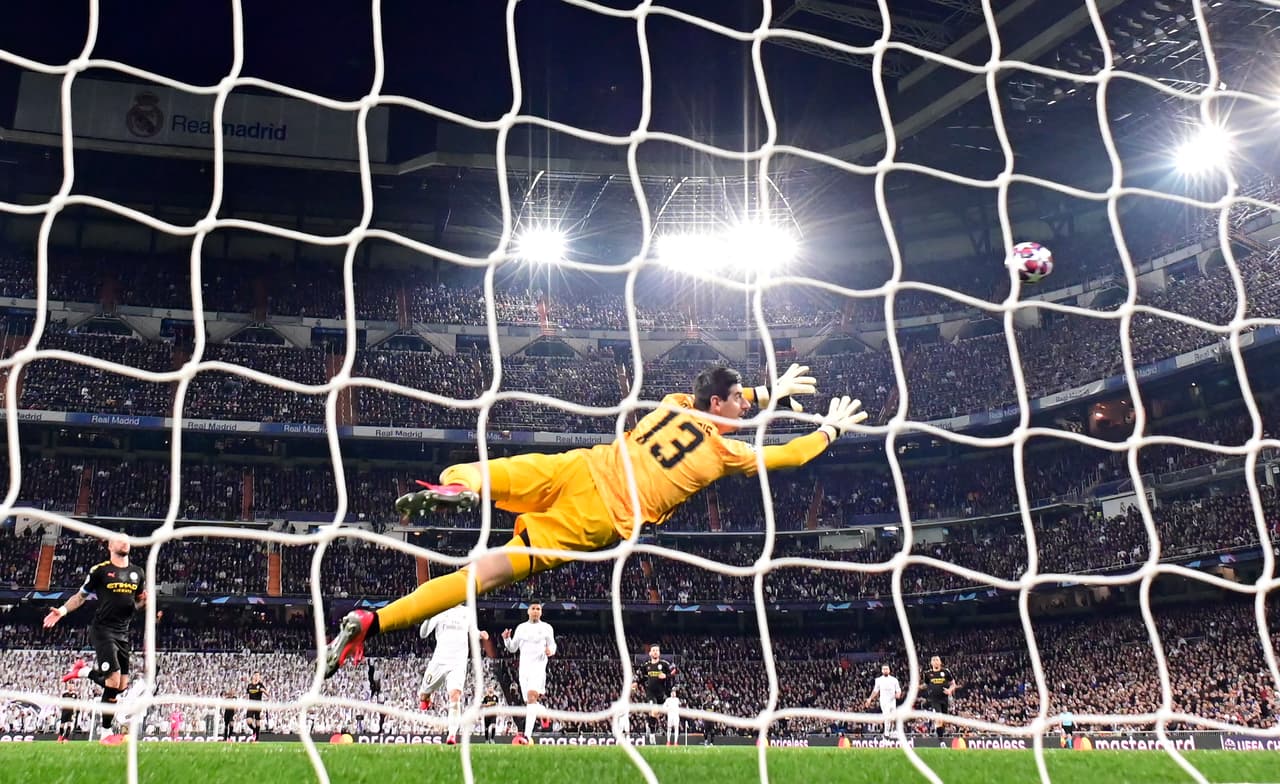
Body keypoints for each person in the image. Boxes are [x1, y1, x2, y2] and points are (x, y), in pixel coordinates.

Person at [323, 365, 865, 675]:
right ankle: (375, 620)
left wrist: (771, 392)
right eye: (739, 403)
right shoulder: (726, 455)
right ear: (720, 405)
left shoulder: (674, 403)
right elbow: (788, 456)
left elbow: (723, 400)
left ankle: (456, 490)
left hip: (577, 467)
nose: (745, 409)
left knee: (474, 470)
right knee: (477, 579)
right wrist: (830, 430)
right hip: (596, 519)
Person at [43, 536, 151, 743]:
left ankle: (83, 672)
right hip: (103, 630)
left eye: (127, 540)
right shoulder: (100, 571)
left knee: (121, 686)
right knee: (113, 680)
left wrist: (144, 602)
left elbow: (136, 603)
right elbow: (81, 596)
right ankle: (106, 733)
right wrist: (62, 611)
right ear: (110, 546)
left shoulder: (138, 573)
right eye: (119, 540)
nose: (124, 542)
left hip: (123, 633)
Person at [418, 603, 489, 745]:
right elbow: (423, 634)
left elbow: (472, 630)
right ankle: (426, 697)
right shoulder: (439, 609)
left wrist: (480, 634)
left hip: (458, 662)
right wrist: (427, 618)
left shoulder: (467, 612)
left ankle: (452, 734)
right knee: (423, 695)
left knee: (455, 695)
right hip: (439, 661)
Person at [502, 603, 555, 741]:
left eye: (538, 609)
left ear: (541, 612)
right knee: (530, 703)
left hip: (538, 668)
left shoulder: (546, 628)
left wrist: (551, 651)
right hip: (524, 669)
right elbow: (512, 648)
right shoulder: (521, 628)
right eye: (533, 609)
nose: (536, 611)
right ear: (528, 611)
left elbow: (553, 644)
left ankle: (526, 736)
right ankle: (544, 713)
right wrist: (507, 639)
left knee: (532, 698)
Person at [864, 664, 903, 736]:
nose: (885, 670)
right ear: (882, 671)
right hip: (884, 701)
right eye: (884, 669)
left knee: (893, 717)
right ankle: (886, 733)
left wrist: (898, 694)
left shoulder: (894, 680)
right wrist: (870, 699)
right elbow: (875, 691)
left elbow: (898, 690)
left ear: (889, 670)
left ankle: (891, 731)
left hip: (892, 701)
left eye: (886, 669)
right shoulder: (878, 680)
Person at [922, 656, 957, 737]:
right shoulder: (927, 674)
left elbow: (953, 684)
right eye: (933, 660)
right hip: (934, 699)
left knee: (943, 719)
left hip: (944, 698)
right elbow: (926, 685)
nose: (935, 662)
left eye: (937, 660)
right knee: (939, 717)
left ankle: (939, 732)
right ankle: (940, 740)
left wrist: (950, 690)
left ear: (940, 662)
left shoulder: (946, 672)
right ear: (931, 663)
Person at [246, 672, 266, 741]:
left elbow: (267, 694)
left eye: (258, 675)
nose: (257, 677)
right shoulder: (249, 685)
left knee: (257, 722)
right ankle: (254, 730)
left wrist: (263, 691)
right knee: (249, 721)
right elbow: (247, 695)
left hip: (258, 705)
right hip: (251, 705)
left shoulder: (260, 685)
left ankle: (257, 738)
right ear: (253, 676)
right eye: (256, 675)